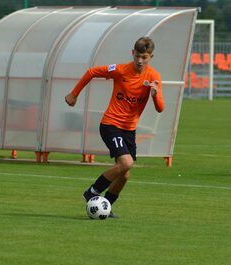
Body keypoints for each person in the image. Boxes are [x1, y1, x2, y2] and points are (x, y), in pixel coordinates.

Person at [65, 36, 164, 218]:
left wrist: (155, 95)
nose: (140, 61)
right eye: (138, 57)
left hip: (129, 129)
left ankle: (106, 206)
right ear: (132, 54)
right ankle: (92, 192)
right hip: (111, 124)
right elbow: (91, 72)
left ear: (151, 57)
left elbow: (160, 108)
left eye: (145, 57)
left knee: (124, 174)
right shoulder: (120, 70)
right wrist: (74, 94)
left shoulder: (154, 77)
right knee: (126, 163)